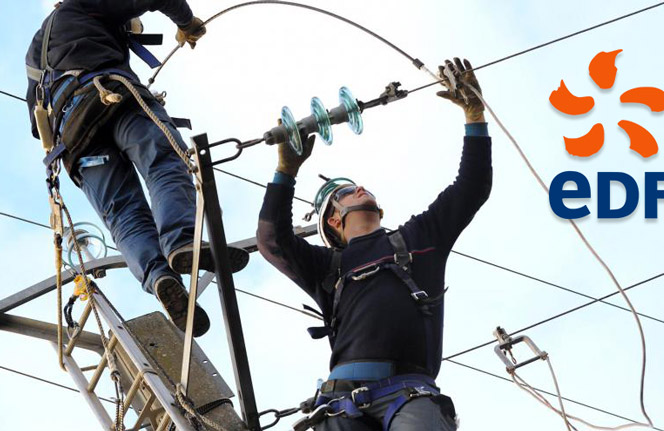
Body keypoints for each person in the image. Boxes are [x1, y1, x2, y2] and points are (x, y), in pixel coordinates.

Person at [257, 58, 493, 430]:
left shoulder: (418, 238)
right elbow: (272, 241)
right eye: (349, 192)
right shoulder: (327, 268)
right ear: (334, 221)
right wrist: (285, 172)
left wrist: (474, 114)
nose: (360, 188)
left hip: (409, 396)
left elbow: (471, 188)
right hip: (339, 405)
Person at [25, 0, 248, 337]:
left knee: (123, 212)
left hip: (72, 139)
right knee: (163, 163)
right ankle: (181, 242)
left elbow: (36, 123)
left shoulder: (34, 56)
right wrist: (186, 23)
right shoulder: (85, 4)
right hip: (111, 95)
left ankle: (158, 276)